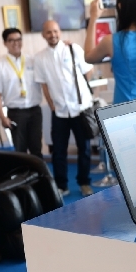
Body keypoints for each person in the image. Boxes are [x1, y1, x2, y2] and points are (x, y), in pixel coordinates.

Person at [35, 19, 94, 197]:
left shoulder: (73, 49)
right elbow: (43, 84)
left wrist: (82, 93)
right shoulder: (40, 57)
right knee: (58, 151)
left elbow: (87, 71)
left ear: (59, 32)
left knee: (84, 149)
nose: (52, 35)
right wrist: (51, 104)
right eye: (48, 32)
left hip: (79, 109)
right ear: (43, 35)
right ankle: (62, 185)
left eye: (55, 31)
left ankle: (84, 182)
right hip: (59, 111)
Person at [0, 28, 43, 159]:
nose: (16, 43)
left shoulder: (32, 60)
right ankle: (25, 178)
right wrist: (2, 117)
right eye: (11, 40)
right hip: (16, 113)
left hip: (35, 111)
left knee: (36, 148)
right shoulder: (0, 66)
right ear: (5, 43)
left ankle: (40, 178)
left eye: (19, 39)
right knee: (20, 151)